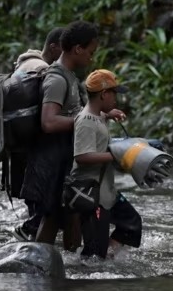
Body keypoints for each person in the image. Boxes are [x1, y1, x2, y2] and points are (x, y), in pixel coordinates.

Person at [21, 21, 116, 250]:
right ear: (77, 49)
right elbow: (49, 122)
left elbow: (76, 116)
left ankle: (69, 276)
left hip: (64, 162)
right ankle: (40, 270)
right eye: (90, 52)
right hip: (50, 164)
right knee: (52, 219)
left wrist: (100, 116)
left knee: (70, 217)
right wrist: (86, 121)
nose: (91, 58)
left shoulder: (69, 76)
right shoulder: (56, 78)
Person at [73, 69, 140, 259]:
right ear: (103, 94)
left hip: (106, 191)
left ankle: (108, 257)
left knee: (132, 223)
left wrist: (108, 113)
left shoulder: (97, 115)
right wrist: (117, 155)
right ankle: (95, 274)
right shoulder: (86, 121)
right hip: (92, 194)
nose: (116, 98)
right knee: (94, 255)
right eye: (114, 93)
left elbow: (100, 117)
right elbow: (82, 156)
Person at [9, 26, 65, 241]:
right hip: (35, 151)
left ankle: (30, 238)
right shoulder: (41, 71)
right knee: (43, 208)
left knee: (38, 206)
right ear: (53, 47)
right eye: (64, 49)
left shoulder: (26, 64)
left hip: (21, 148)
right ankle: (27, 237)